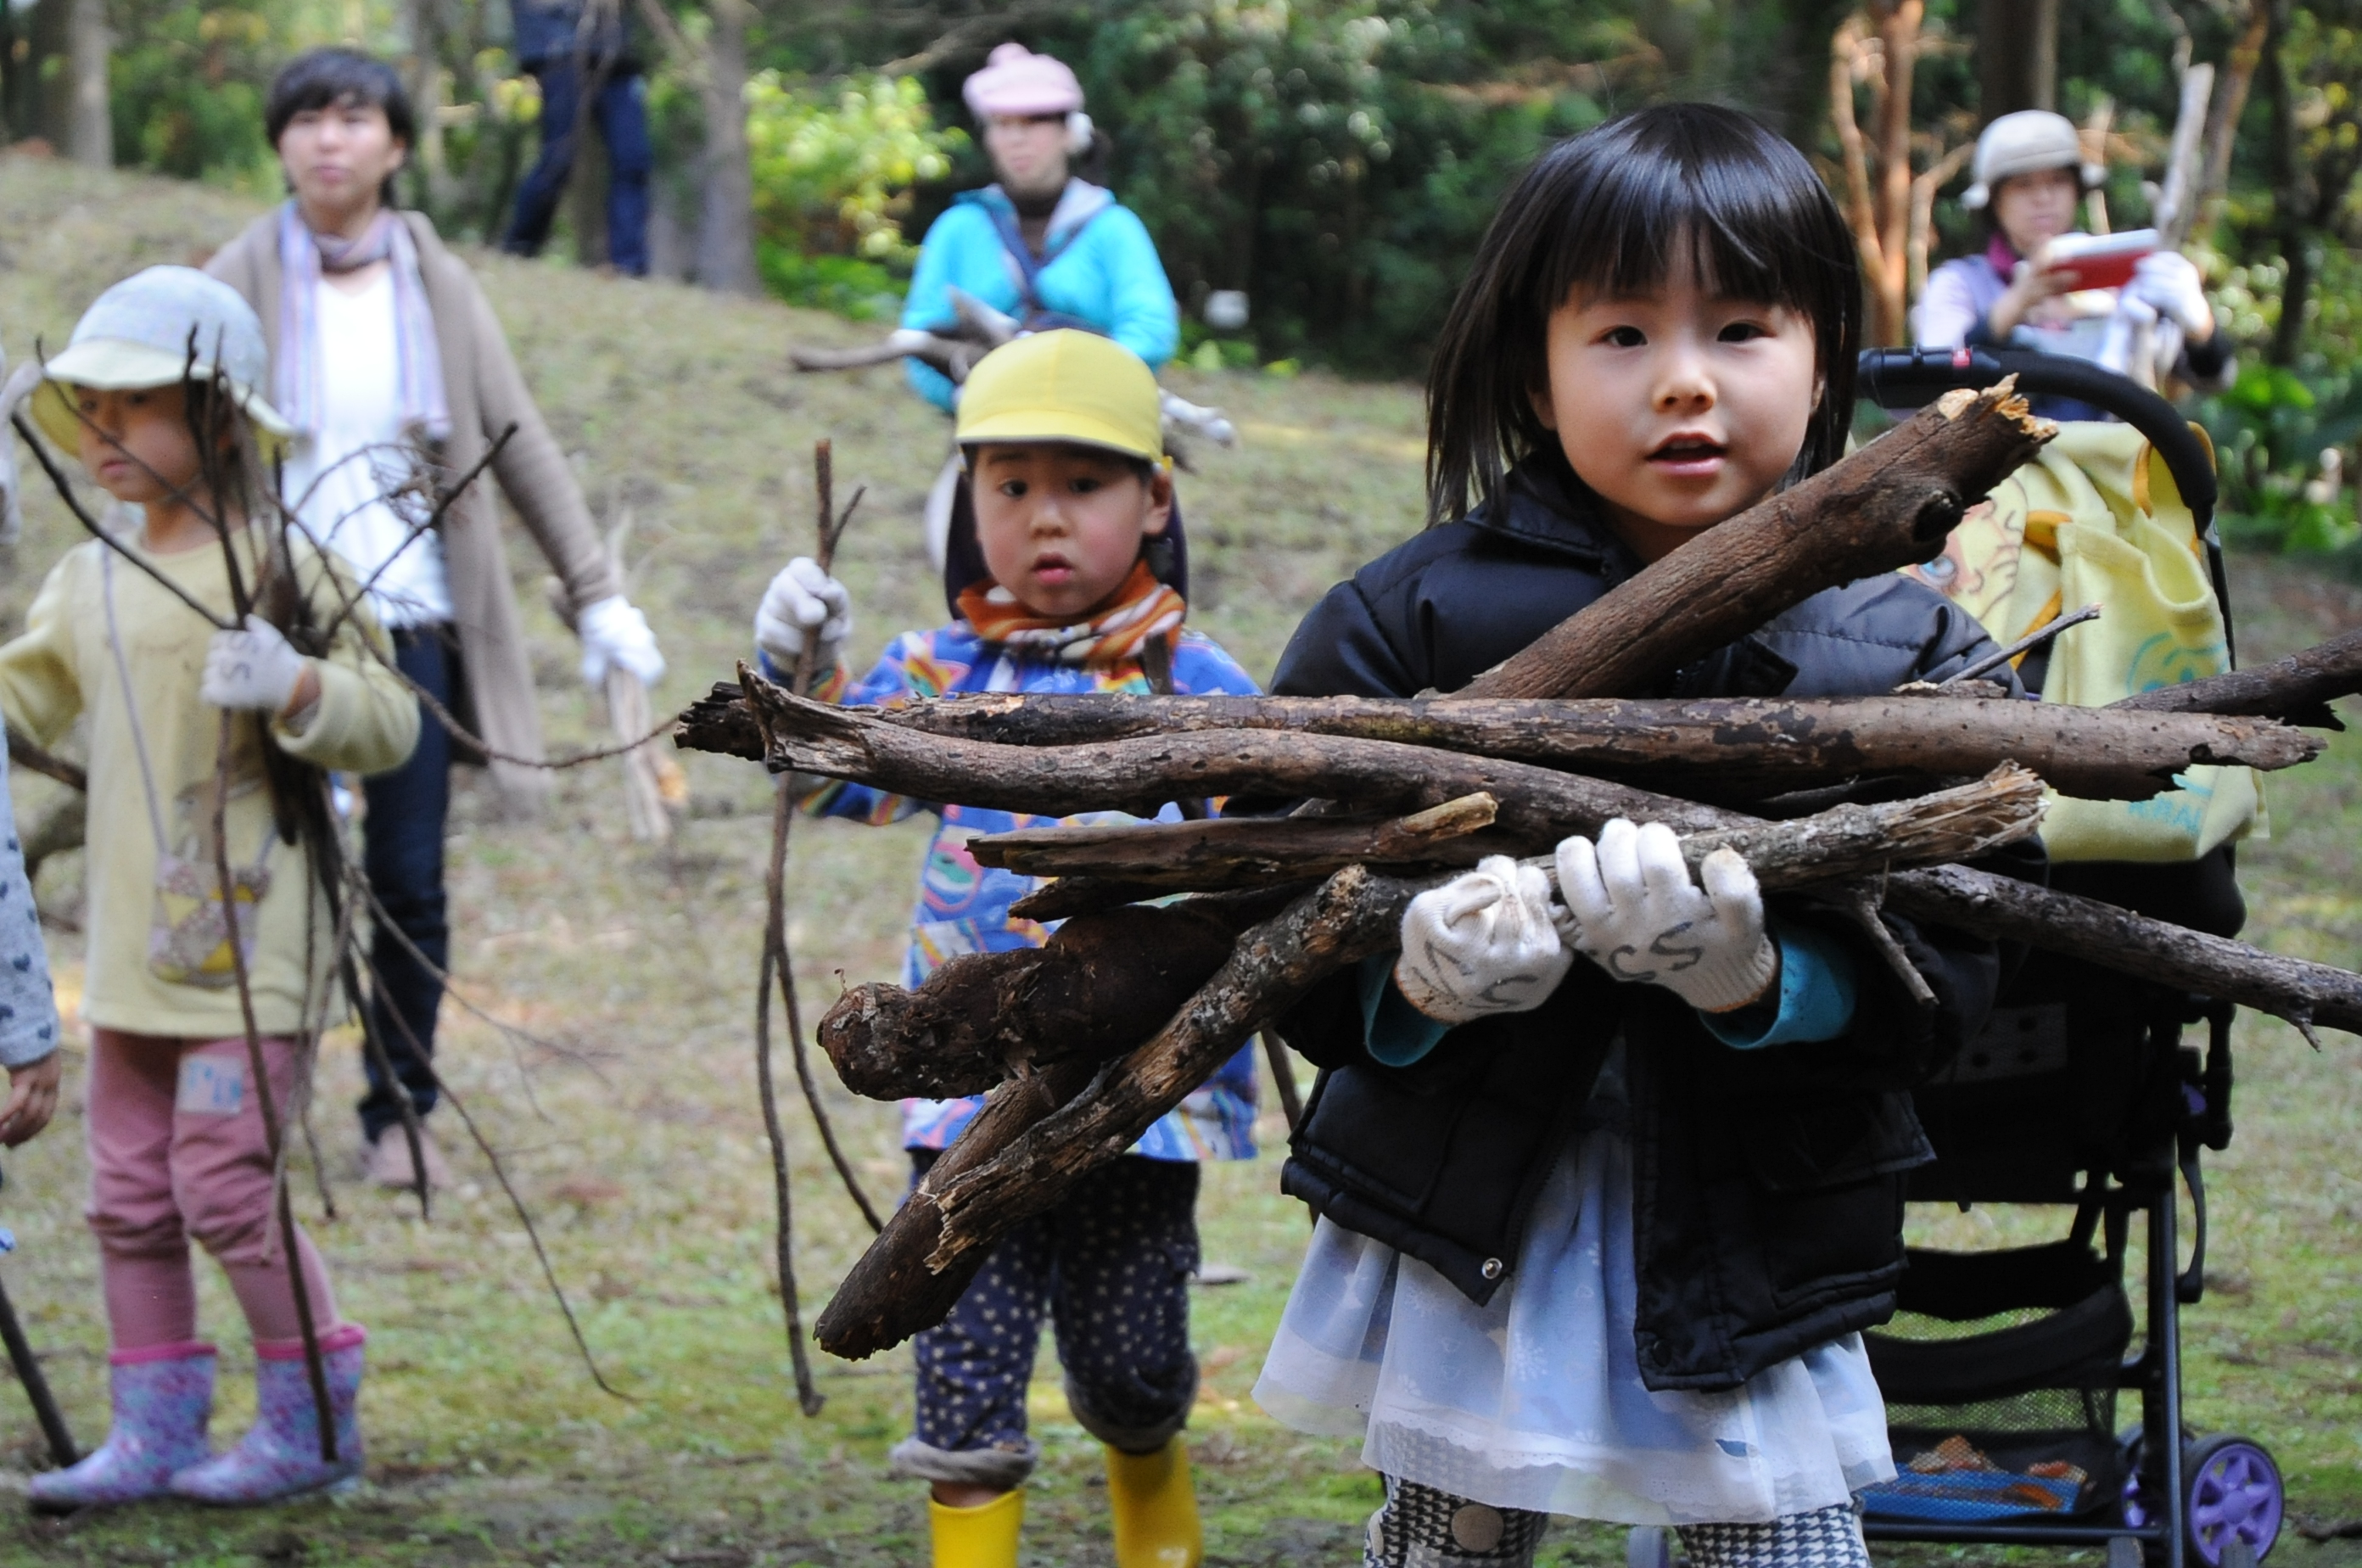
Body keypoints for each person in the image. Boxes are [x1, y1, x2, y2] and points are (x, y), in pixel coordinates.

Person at [1246, 106, 2037, 1568]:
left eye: (1737, 327)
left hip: (1758, 1229)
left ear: (1820, 358)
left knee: (1771, 1543)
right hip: (1467, 1221)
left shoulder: (1911, 651)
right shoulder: (1404, 622)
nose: (1681, 381)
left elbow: (1961, 962)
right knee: (1446, 1541)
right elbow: (1268, 907)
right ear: (1530, 369)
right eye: (1620, 333)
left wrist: (1759, 975)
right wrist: (1407, 980)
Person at [753, 330, 1257, 1568]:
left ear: (1154, 498)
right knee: (964, 1371)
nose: (1044, 519)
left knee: (1133, 1368)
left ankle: (1157, 1512)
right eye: (1010, 486)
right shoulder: (933, 670)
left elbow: (1263, 855)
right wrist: (796, 664)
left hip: (1144, 1098)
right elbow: (827, 780)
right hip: (964, 1106)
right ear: (968, 500)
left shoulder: (1198, 680)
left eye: (1082, 486)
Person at [208, 48, 667, 1190]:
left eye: (353, 118)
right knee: (257, 870)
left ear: (396, 145)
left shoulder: (438, 284)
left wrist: (596, 593)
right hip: (276, 626)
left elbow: (517, 441)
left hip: (411, 627)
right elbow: (166, 430)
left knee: (408, 878)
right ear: (280, 142)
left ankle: (397, 1109)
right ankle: (245, 1107)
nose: (328, 139)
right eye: (306, 118)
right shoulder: (238, 278)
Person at [3, 267, 420, 1508]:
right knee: (126, 1194)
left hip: (254, 961)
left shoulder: (289, 566)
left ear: (222, 420)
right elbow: (18, 705)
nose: (102, 437)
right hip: (126, 960)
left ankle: (311, 1426)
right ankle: (155, 1428)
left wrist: (300, 687)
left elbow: (392, 722)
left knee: (226, 1186)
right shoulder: (88, 582)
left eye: (135, 409)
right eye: (88, 410)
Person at [901, 42, 1180, 565]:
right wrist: (978, 396)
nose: (1017, 137)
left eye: (1033, 121)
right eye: (1002, 123)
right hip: (990, 446)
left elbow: (1151, 328)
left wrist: (1079, 389)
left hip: (1101, 442)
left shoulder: (1113, 228)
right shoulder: (958, 229)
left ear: (1068, 131)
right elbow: (917, 334)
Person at [1914, 109, 2232, 409]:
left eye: (2057, 181)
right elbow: (1926, 391)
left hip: (2117, 459)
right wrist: (2011, 309)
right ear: (1994, 202)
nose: (2043, 198)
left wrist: (2199, 324)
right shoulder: (1961, 284)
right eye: (2023, 185)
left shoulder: (2122, 278)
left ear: (2077, 190)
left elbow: (2215, 381)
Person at [501, 0, 652, 275]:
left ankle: (628, 264)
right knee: (558, 159)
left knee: (633, 160)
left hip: (617, 53)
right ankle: (520, 247)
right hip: (558, 48)